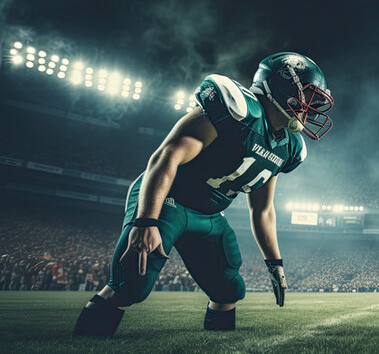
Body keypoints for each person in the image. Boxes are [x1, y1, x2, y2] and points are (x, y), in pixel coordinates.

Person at [73, 52, 335, 337]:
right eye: (307, 98)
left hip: (209, 215)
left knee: (229, 289)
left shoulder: (286, 146)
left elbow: (262, 210)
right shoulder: (238, 111)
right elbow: (167, 156)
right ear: (282, 87)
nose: (310, 110)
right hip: (167, 201)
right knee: (130, 284)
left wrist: (275, 263)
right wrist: (145, 221)